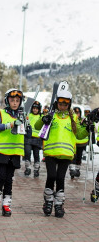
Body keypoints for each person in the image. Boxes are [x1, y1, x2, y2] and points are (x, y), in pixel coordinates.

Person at [35, 90, 89, 218]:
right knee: (51, 176)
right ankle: (48, 202)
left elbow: (80, 134)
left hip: (66, 154)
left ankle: (59, 204)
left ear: (69, 105)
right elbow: (37, 127)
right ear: (56, 103)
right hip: (51, 153)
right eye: (60, 103)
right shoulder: (51, 115)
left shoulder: (74, 118)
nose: (63, 106)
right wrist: (43, 119)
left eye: (66, 104)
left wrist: (87, 128)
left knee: (60, 178)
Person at [0, 88, 28, 217]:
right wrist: (10, 124)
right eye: (12, 100)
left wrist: (27, 126)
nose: (15, 103)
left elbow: (28, 133)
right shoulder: (0, 113)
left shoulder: (23, 115)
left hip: (15, 152)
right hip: (1, 151)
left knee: (9, 179)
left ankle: (6, 203)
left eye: (17, 101)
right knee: (1, 176)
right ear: (7, 101)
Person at [24, 101, 43, 177]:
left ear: (39, 109)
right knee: (27, 153)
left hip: (37, 138)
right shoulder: (28, 115)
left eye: (36, 109)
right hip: (28, 137)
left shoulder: (41, 117)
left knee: (36, 154)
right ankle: (27, 168)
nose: (35, 110)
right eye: (34, 108)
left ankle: (36, 169)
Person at [69, 107, 88, 178]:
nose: (77, 114)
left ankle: (77, 170)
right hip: (73, 143)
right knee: (73, 157)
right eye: (75, 113)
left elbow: (84, 130)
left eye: (78, 113)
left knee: (79, 158)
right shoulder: (70, 120)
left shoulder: (82, 120)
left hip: (81, 143)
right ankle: (72, 170)